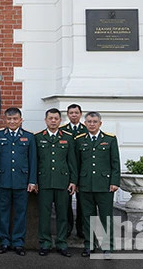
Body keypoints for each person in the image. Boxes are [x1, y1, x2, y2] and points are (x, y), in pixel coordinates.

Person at [74, 111, 120, 258]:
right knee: (88, 217)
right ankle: (89, 245)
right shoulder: (79, 140)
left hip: (105, 185)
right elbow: (76, 164)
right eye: (89, 121)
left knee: (106, 217)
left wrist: (114, 182)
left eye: (94, 121)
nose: (92, 124)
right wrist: (76, 183)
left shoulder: (110, 139)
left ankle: (108, 247)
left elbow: (115, 163)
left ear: (100, 123)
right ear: (85, 123)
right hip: (85, 185)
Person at [0, 107, 37, 256]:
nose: (12, 122)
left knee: (20, 213)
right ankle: (4, 241)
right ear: (5, 120)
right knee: (3, 213)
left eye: (15, 119)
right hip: (3, 180)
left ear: (20, 120)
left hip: (22, 181)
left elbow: (33, 160)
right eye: (9, 119)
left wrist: (32, 181)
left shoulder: (29, 137)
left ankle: (18, 242)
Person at [36, 108, 76, 257]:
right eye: (50, 118)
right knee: (44, 215)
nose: (53, 121)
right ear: (46, 120)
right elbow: (35, 161)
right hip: (44, 182)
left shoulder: (68, 137)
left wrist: (73, 181)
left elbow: (72, 161)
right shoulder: (38, 137)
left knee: (62, 215)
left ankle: (61, 243)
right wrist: (34, 181)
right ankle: (45, 243)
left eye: (56, 118)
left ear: (60, 120)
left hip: (62, 182)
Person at [60, 103, 87, 240]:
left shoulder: (87, 129)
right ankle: (68, 228)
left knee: (83, 203)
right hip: (68, 172)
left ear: (80, 114)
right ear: (68, 115)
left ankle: (81, 229)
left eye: (76, 113)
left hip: (83, 172)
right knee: (66, 203)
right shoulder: (62, 131)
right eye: (71, 113)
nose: (74, 115)